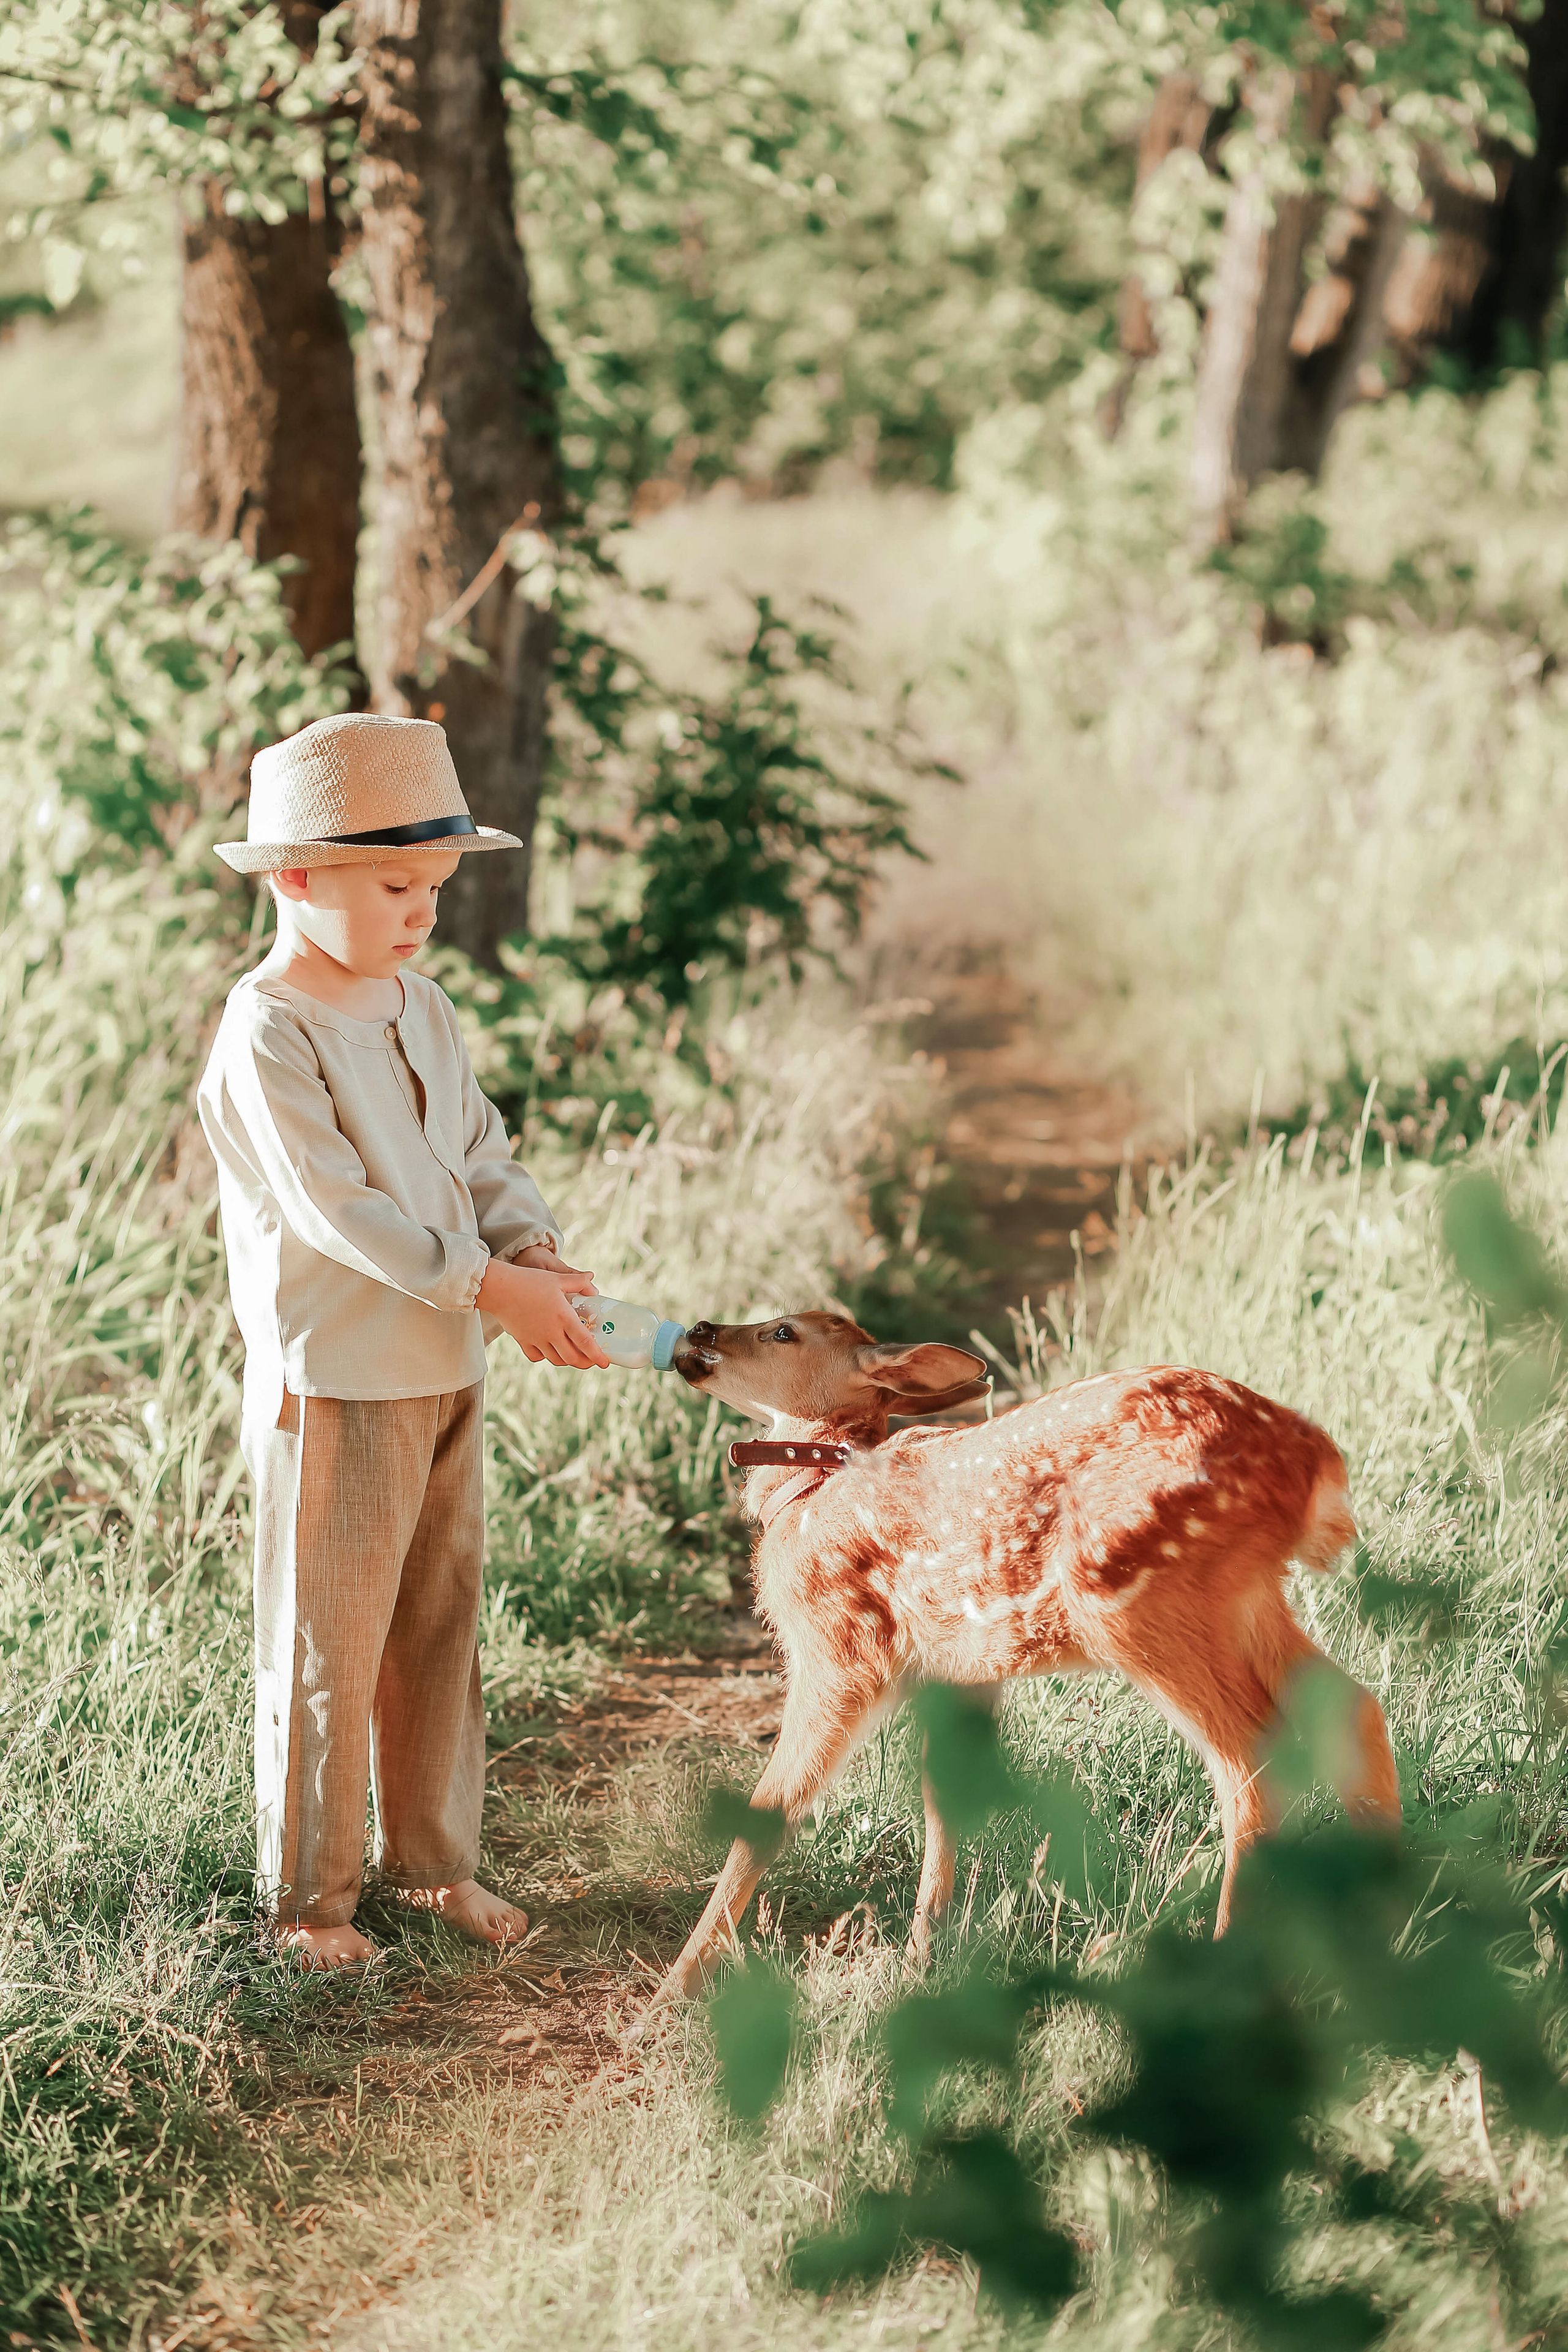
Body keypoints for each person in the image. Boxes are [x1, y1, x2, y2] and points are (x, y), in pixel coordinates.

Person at [198, 712, 611, 1969]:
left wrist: (529, 1249)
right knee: (327, 1644)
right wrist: (491, 1285)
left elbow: (480, 1152)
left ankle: (431, 1869)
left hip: (446, 1368)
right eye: (394, 887)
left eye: (433, 884)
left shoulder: (419, 1005)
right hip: (337, 1382)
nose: (423, 911)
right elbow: (342, 1211)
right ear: (295, 877)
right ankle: (309, 1905)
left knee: (437, 1628)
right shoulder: (268, 1029)